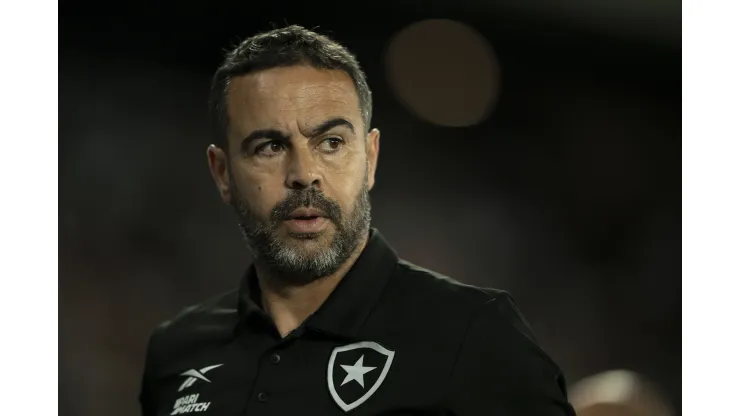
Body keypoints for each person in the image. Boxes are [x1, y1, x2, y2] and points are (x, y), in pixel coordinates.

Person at [139, 25, 575, 416]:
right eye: (270, 147)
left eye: (330, 142)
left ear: (370, 158)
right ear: (222, 174)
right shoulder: (176, 351)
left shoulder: (474, 332)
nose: (304, 173)